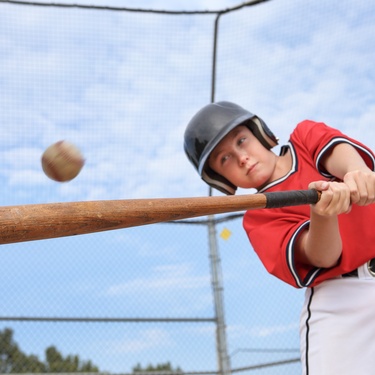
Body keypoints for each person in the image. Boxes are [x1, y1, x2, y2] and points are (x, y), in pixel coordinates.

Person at [183, 101, 375, 375]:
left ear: (260, 133)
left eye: (242, 140)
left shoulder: (305, 137)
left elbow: (347, 159)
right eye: (224, 159)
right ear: (220, 178)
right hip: (342, 303)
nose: (242, 158)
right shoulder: (257, 217)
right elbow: (324, 256)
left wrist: (358, 174)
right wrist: (322, 215)